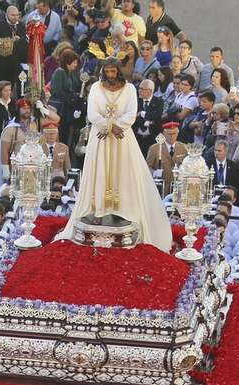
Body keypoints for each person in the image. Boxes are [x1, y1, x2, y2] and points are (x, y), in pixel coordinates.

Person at [61, 57, 173, 251]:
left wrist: (115, 126)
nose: (110, 75)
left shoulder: (129, 89)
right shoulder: (96, 88)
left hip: (122, 138)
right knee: (100, 172)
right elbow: (92, 113)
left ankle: (122, 209)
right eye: (107, 71)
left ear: (119, 71)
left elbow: (131, 113)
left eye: (113, 71)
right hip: (100, 137)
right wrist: (108, 126)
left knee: (123, 172)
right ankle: (99, 210)